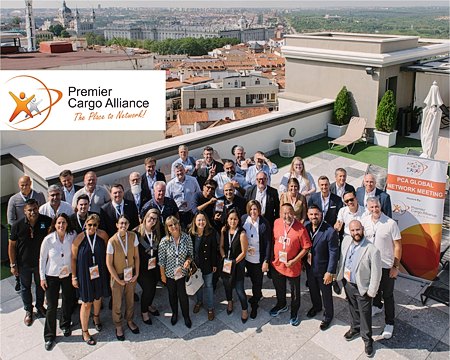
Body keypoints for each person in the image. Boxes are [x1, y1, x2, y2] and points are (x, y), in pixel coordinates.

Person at [336, 220, 382, 358]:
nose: (356, 233)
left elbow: (376, 273)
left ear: (362, 229)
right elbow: (341, 260)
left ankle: (368, 340)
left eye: (358, 230)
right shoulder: (346, 242)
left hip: (363, 288)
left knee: (365, 314)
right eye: (353, 230)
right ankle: (355, 328)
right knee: (352, 308)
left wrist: (371, 292)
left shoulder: (372, 250)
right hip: (348, 283)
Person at [362, 197, 402, 340]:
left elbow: (398, 246)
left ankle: (390, 323)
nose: (374, 210)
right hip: (371, 264)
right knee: (375, 289)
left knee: (388, 295)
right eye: (371, 207)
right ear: (368, 207)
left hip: (386, 265)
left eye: (376, 207)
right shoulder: (365, 221)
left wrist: (395, 267)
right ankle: (377, 306)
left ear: (380, 206)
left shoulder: (390, 223)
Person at [9, 199, 52, 326]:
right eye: (30, 210)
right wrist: (13, 264)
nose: (33, 212)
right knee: (25, 287)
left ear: (38, 208)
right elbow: (11, 246)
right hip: (23, 264)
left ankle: (40, 306)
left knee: (41, 286)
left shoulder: (46, 221)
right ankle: (28, 310)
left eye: (35, 209)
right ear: (24, 211)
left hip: (40, 264)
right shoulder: (17, 225)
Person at [39, 213, 77, 351]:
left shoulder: (72, 235)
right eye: (59, 223)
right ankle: (49, 336)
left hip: (67, 274)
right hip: (52, 275)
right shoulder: (48, 240)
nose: (61, 225)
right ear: (55, 224)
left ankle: (65, 325)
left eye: (64, 223)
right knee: (52, 306)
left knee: (68, 300)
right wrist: (42, 278)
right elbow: (42, 259)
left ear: (67, 224)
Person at [270, 203, 311, 326]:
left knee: (294, 292)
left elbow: (306, 247)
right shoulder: (277, 222)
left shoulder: (301, 228)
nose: (287, 215)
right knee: (279, 287)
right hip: (278, 264)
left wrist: (294, 260)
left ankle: (294, 312)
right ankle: (281, 304)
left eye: (289, 213)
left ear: (293, 213)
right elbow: (274, 240)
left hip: (292, 266)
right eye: (284, 213)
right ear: (280, 214)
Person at [71, 214, 110, 346]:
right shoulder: (79, 238)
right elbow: (73, 259)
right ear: (85, 225)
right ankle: (85, 331)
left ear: (98, 225)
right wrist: (74, 277)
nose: (92, 227)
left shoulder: (103, 235)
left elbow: (108, 251)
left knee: (98, 298)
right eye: (89, 225)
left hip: (99, 272)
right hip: (84, 275)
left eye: (94, 225)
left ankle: (96, 317)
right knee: (87, 303)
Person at [7, 176, 45, 293]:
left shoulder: (39, 196)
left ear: (30, 184)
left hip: (37, 232)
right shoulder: (14, 200)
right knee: (21, 259)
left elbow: (42, 212)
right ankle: (19, 279)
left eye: (26, 184)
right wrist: (21, 229)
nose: (24, 187)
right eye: (22, 185)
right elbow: (10, 219)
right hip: (21, 235)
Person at [304, 205, 339, 331]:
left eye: (316, 214)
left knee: (326, 294)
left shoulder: (329, 231)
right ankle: (316, 307)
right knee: (313, 290)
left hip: (323, 269)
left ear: (321, 214)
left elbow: (334, 253)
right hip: (310, 267)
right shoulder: (306, 226)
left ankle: (328, 315)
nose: (314, 217)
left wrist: (330, 272)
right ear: (308, 215)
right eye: (311, 214)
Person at [105, 215, 140, 341]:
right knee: (117, 303)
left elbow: (136, 257)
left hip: (130, 274)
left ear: (129, 225)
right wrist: (117, 279)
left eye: (125, 223)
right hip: (117, 275)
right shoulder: (112, 241)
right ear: (117, 225)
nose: (123, 226)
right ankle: (118, 325)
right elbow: (109, 263)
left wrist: (136, 273)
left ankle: (129, 320)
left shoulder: (133, 236)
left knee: (130, 299)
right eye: (121, 223)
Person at [158, 216, 193, 328]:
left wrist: (188, 260)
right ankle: (175, 314)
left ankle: (186, 316)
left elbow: (191, 254)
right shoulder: (164, 242)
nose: (174, 226)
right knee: (172, 294)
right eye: (170, 225)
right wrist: (162, 275)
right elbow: (161, 261)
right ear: (167, 228)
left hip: (182, 273)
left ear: (179, 224)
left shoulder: (186, 238)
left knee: (183, 295)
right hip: (169, 274)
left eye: (175, 224)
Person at [241, 200, 271, 319]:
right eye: (251, 209)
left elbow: (269, 243)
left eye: (255, 209)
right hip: (246, 257)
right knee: (252, 278)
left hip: (258, 258)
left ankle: (255, 304)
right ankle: (256, 295)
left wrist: (266, 260)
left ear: (259, 210)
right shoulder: (244, 219)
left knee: (257, 282)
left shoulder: (264, 223)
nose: (253, 212)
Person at [220, 209, 249, 323]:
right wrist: (223, 258)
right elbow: (221, 246)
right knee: (227, 285)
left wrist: (234, 262)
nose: (233, 221)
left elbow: (244, 252)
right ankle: (230, 302)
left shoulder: (242, 234)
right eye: (230, 218)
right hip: (226, 263)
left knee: (239, 289)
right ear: (227, 219)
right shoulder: (224, 230)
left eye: (235, 219)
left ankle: (244, 309)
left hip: (237, 264)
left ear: (238, 220)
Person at [135, 209, 162, 325]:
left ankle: (149, 305)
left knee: (154, 287)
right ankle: (144, 311)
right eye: (150, 218)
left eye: (155, 219)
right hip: (141, 268)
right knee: (147, 289)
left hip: (154, 266)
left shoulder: (156, 232)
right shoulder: (136, 233)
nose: (152, 221)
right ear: (145, 217)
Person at [189, 211, 218, 321]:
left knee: (209, 286)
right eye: (199, 220)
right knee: (198, 285)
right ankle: (199, 301)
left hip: (208, 264)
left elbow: (214, 250)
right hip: (196, 265)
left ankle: (210, 308)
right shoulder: (191, 233)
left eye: (203, 219)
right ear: (195, 222)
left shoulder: (211, 232)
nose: (201, 222)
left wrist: (214, 264)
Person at [166, 164, 201, 229]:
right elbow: (168, 200)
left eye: (181, 170)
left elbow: (198, 194)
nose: (179, 173)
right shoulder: (170, 184)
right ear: (174, 172)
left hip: (191, 212)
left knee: (193, 230)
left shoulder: (193, 180)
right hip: (178, 214)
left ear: (184, 170)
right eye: (177, 171)